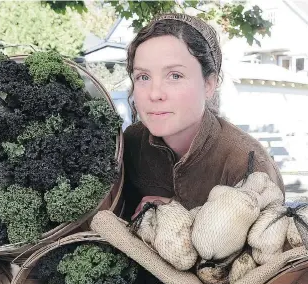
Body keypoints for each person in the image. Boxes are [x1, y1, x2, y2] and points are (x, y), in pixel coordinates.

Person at [121, 13, 285, 219]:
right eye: (143, 77)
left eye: (175, 76)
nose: (154, 94)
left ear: (209, 84)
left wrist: (178, 211)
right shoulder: (130, 143)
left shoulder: (247, 164)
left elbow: (268, 243)